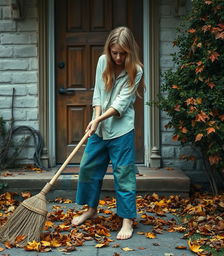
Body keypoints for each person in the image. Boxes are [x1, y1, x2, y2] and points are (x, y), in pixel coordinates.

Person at [71, 26, 144, 240]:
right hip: (100, 130)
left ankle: (127, 220)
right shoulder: (103, 61)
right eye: (115, 52)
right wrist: (96, 118)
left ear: (130, 51)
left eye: (123, 53)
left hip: (122, 131)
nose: (119, 57)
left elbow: (121, 103)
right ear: (109, 50)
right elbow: (98, 93)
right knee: (87, 168)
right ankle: (91, 209)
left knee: (124, 175)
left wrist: (98, 119)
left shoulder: (136, 71)